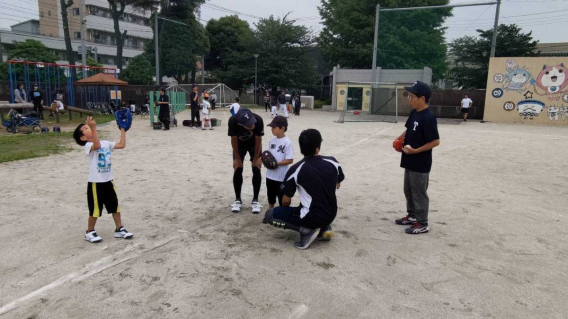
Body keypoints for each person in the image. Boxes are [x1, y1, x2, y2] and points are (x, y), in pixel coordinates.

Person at [263, 129, 345, 250]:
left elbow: (286, 201)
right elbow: (337, 185)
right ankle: (324, 227)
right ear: (318, 148)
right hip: (331, 213)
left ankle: (306, 230)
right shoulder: (333, 162)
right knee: (313, 205)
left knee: (270, 215)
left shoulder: (296, 169)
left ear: (301, 148)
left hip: (311, 215)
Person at [72, 116, 133, 243]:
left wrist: (122, 130)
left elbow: (121, 145)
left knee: (114, 205)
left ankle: (119, 229)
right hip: (96, 183)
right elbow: (97, 145)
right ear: (83, 138)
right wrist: (94, 128)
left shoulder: (105, 142)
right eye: (86, 128)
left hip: (108, 180)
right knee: (95, 209)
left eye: (89, 127)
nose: (90, 128)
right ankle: (89, 231)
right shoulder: (88, 145)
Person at [395, 81, 440, 235]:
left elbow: (435, 141)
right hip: (409, 159)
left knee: (419, 192)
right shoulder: (414, 112)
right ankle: (413, 216)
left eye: (412, 96)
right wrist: (399, 140)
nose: (409, 99)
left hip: (420, 162)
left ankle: (422, 222)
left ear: (422, 98)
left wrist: (416, 151)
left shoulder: (428, 117)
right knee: (408, 190)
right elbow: (408, 130)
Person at [228, 108, 264, 214]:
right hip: (239, 146)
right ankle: (238, 199)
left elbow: (258, 140)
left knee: (256, 169)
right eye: (248, 125)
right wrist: (237, 159)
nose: (252, 126)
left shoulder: (258, 119)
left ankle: (255, 200)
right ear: (240, 124)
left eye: (252, 122)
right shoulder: (233, 121)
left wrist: (256, 158)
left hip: (254, 145)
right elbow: (233, 140)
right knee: (238, 169)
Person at [265, 116, 294, 209]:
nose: (272, 130)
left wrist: (276, 163)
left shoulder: (287, 142)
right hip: (270, 174)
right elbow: (270, 155)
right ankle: (271, 211)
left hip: (281, 176)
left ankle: (282, 213)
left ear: (282, 128)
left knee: (281, 196)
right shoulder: (272, 140)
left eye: (274, 127)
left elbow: (290, 160)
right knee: (270, 194)